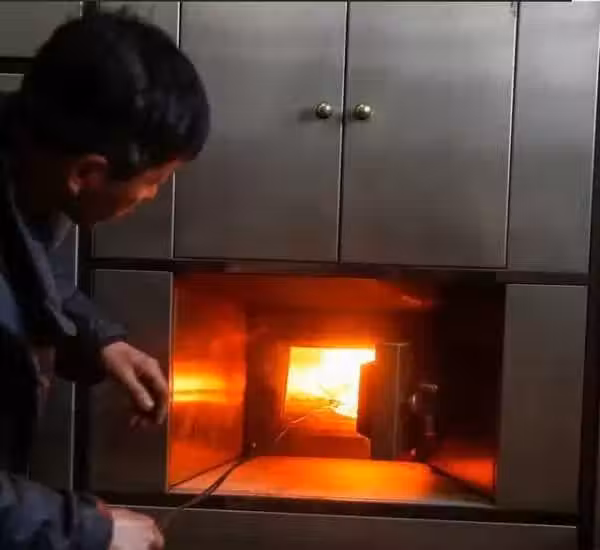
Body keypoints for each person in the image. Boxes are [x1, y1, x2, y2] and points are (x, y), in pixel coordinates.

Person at [0, 9, 209, 550]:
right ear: (85, 173)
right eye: (155, 181)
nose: (152, 197)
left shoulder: (25, 170)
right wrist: (91, 531)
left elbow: (26, 273)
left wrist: (98, 341)